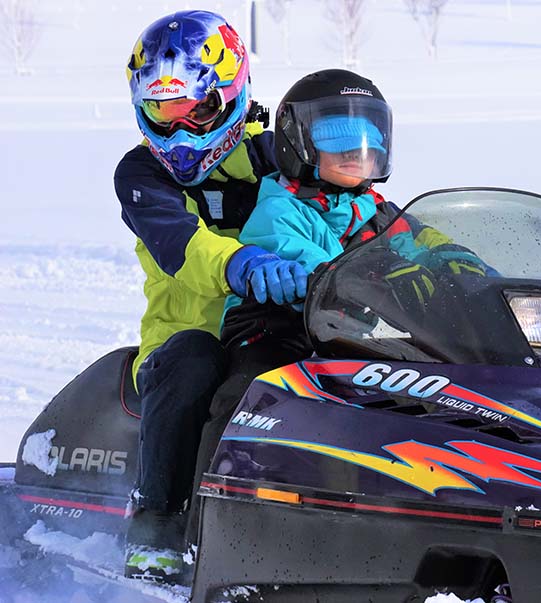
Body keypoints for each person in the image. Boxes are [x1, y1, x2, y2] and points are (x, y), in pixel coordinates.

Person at [184, 69, 492, 544]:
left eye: (365, 144)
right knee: (247, 398)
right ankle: (200, 533)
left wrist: (464, 266)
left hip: (350, 335)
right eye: (339, 143)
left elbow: (426, 240)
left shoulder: (375, 209)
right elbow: (319, 270)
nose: (356, 154)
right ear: (299, 146)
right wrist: (387, 276)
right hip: (278, 329)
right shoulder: (279, 208)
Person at [115, 10, 308, 581]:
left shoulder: (277, 156)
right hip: (182, 346)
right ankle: (156, 523)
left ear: (231, 96)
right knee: (196, 359)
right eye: (163, 111)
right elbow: (182, 244)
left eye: (196, 110)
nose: (179, 131)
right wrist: (241, 263)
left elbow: (346, 194)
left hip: (272, 330)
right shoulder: (141, 174)